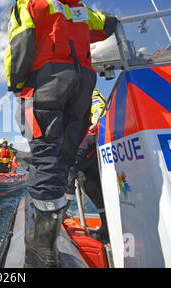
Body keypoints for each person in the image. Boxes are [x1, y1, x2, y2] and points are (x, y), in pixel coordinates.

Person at [5, 0, 118, 267]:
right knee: (65, 159)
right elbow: (107, 25)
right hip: (81, 86)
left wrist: (16, 84)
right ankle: (51, 235)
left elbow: (21, 42)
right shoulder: (81, 10)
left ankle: (44, 248)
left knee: (44, 157)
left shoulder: (30, 3)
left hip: (46, 84)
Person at [66, 88, 109, 243]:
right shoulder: (65, 101)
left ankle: (110, 227)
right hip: (80, 156)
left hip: (91, 150)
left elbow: (99, 117)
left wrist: (76, 158)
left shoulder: (92, 94)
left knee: (104, 189)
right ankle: (106, 225)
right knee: (91, 189)